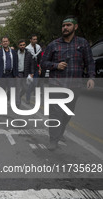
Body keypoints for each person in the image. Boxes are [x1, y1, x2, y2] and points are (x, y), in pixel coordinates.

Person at [41, 16, 95, 151]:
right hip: (56, 84)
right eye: (63, 25)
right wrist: (55, 65)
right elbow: (43, 63)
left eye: (68, 25)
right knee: (55, 113)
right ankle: (53, 140)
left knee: (68, 113)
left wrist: (91, 77)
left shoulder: (82, 44)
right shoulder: (53, 44)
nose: (65, 28)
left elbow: (90, 62)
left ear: (75, 27)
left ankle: (60, 132)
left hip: (74, 85)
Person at [0, 36, 18, 100]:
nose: (5, 43)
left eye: (6, 41)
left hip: (10, 75)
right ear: (2, 43)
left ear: (8, 42)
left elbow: (15, 63)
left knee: (12, 90)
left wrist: (16, 74)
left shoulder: (13, 52)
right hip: (1, 75)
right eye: (4, 41)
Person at [16, 39, 35, 106]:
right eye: (21, 45)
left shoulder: (28, 54)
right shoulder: (15, 53)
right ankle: (18, 103)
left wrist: (32, 73)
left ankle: (18, 97)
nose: (22, 46)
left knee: (25, 88)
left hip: (25, 73)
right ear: (18, 46)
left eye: (24, 45)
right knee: (18, 88)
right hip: (18, 74)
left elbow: (31, 64)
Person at [26, 34, 42, 104]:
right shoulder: (27, 49)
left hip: (36, 68)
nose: (35, 40)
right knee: (29, 85)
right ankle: (28, 99)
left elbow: (40, 59)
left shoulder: (38, 47)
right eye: (34, 39)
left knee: (35, 84)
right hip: (30, 69)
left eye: (36, 39)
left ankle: (29, 95)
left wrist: (40, 69)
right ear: (30, 40)